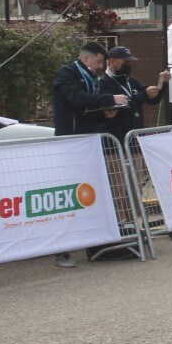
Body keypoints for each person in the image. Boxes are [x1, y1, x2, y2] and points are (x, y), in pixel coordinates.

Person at [51, 41, 128, 268]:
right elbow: (78, 100)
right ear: (87, 59)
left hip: (88, 142)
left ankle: (97, 243)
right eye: (98, 62)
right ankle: (61, 250)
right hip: (71, 143)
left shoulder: (91, 79)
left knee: (94, 193)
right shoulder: (67, 75)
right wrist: (110, 99)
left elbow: (88, 111)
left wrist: (106, 114)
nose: (99, 67)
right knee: (69, 197)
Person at [97, 47, 169, 145]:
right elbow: (117, 107)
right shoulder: (103, 83)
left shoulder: (131, 80)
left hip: (136, 139)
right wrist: (143, 95)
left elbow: (153, 100)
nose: (128, 66)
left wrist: (163, 83)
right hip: (116, 142)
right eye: (125, 63)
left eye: (130, 63)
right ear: (112, 61)